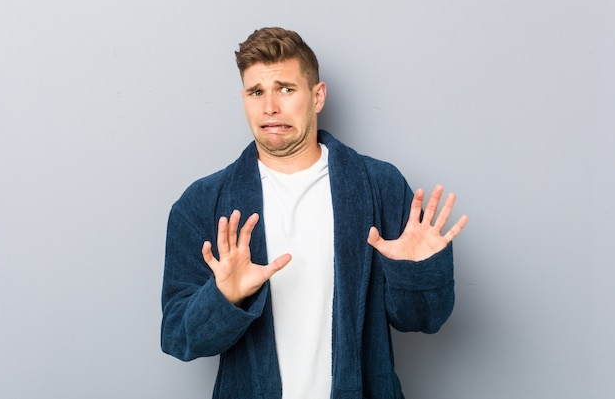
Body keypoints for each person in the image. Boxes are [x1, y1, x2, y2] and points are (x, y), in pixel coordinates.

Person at [161, 27, 468, 399]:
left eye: (286, 89)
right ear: (243, 98)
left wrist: (415, 274)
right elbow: (178, 337)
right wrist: (223, 296)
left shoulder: (380, 186)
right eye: (257, 92)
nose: (270, 107)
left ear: (317, 96)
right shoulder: (202, 203)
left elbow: (425, 320)